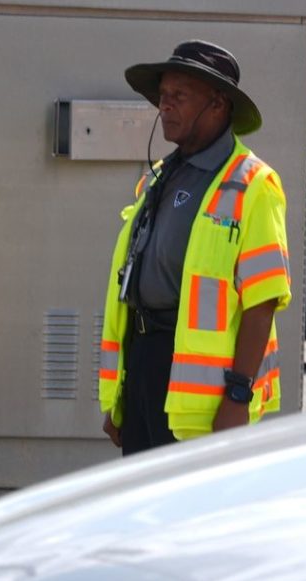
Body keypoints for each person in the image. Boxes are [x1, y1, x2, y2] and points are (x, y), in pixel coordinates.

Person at [97, 40, 292, 455]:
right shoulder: (161, 176)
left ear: (218, 105)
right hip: (145, 365)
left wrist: (238, 397)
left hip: (205, 398)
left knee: (192, 516)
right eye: (162, 97)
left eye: (178, 96)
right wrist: (122, 397)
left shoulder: (255, 184)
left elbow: (263, 302)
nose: (164, 106)